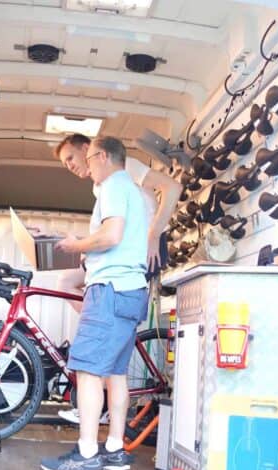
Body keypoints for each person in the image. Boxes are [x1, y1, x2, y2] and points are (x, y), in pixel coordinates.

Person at [39, 136, 151, 470]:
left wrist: (77, 246)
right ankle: (115, 450)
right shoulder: (130, 190)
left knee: (88, 371)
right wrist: (77, 242)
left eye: (88, 158)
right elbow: (110, 239)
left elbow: (111, 235)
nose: (85, 166)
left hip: (110, 290)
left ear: (102, 156)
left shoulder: (113, 186)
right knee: (115, 374)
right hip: (131, 291)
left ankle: (87, 454)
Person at [52, 132, 181, 425]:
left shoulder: (123, 172)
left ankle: (97, 389)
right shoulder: (103, 187)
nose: (70, 166)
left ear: (90, 150)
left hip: (137, 250)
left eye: (71, 158)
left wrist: (155, 233)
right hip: (124, 254)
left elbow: (172, 187)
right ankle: (102, 391)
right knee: (66, 282)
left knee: (74, 293)